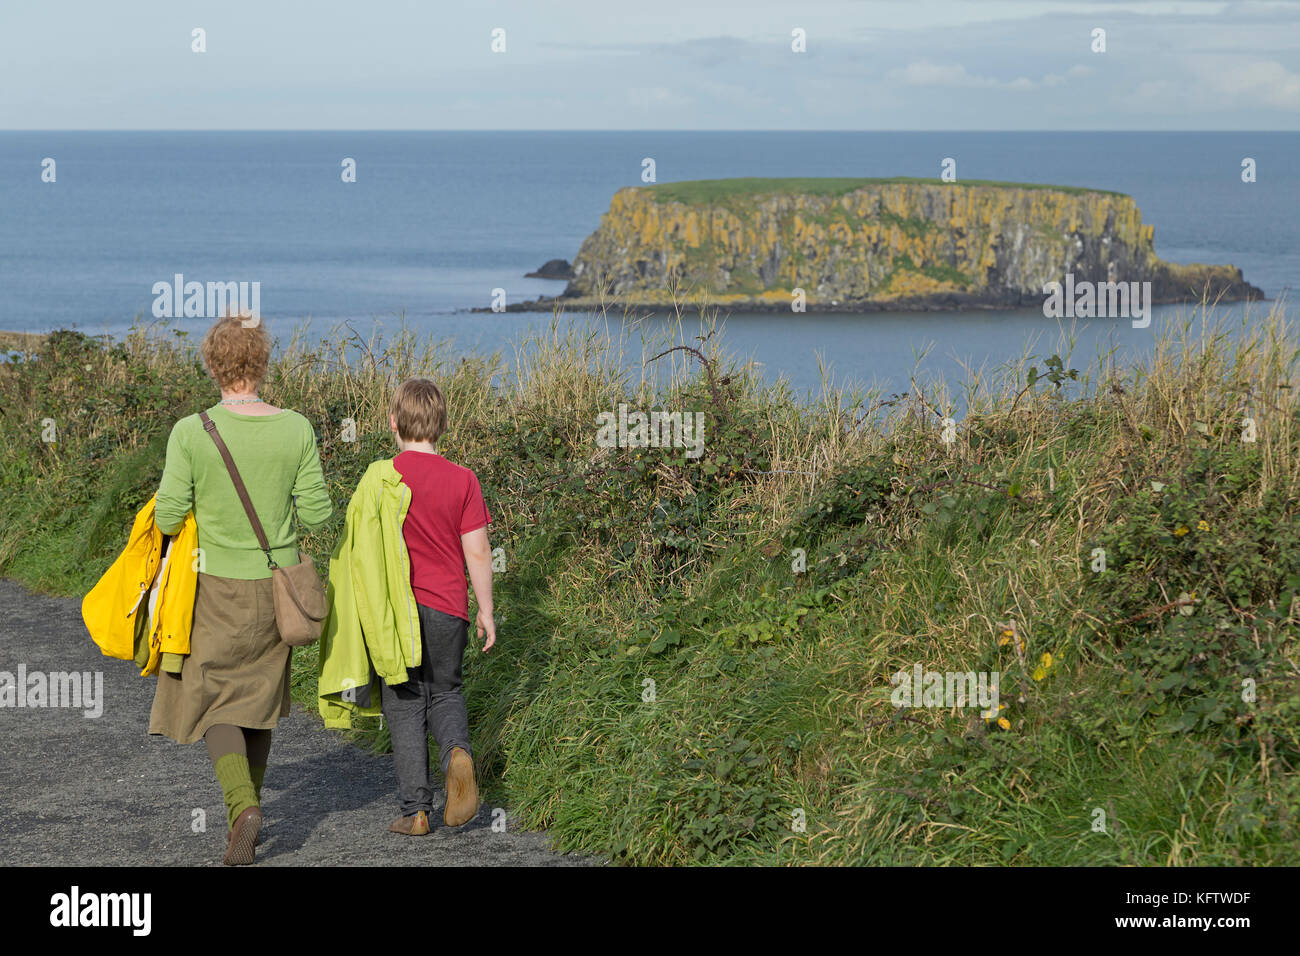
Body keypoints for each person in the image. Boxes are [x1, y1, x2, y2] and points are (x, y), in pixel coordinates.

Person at [149, 314, 332, 865]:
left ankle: (241, 807)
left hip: (213, 586)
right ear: (262, 363)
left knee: (211, 697)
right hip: (278, 589)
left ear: (213, 363)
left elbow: (169, 514)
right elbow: (319, 513)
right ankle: (245, 806)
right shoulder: (296, 427)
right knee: (258, 696)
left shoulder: (190, 431)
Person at [322, 377, 495, 835]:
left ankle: (415, 810)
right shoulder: (464, 480)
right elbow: (477, 551)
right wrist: (486, 609)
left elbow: (357, 548)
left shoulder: (382, 478)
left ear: (394, 423)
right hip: (449, 611)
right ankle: (457, 753)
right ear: (442, 423)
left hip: (394, 613)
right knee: (447, 691)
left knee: (403, 702)